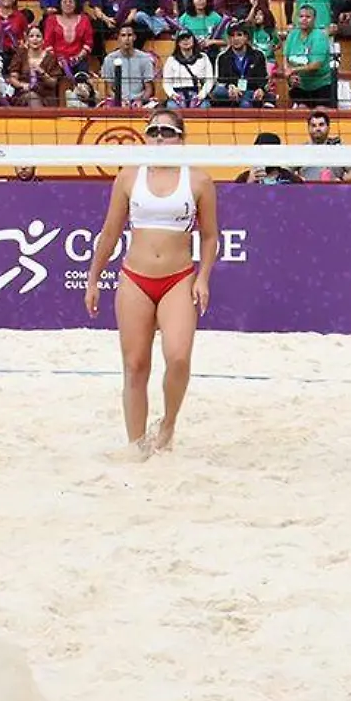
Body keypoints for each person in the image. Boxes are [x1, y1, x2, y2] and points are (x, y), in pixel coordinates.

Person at [83, 110, 220, 456]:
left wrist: (203, 277)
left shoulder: (199, 181)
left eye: (168, 131)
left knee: (178, 358)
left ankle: (169, 424)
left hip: (178, 279)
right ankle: (135, 444)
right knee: (135, 365)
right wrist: (94, 277)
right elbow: (111, 231)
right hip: (135, 278)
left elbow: (209, 236)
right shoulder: (129, 177)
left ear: (181, 138)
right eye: (153, 131)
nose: (160, 137)